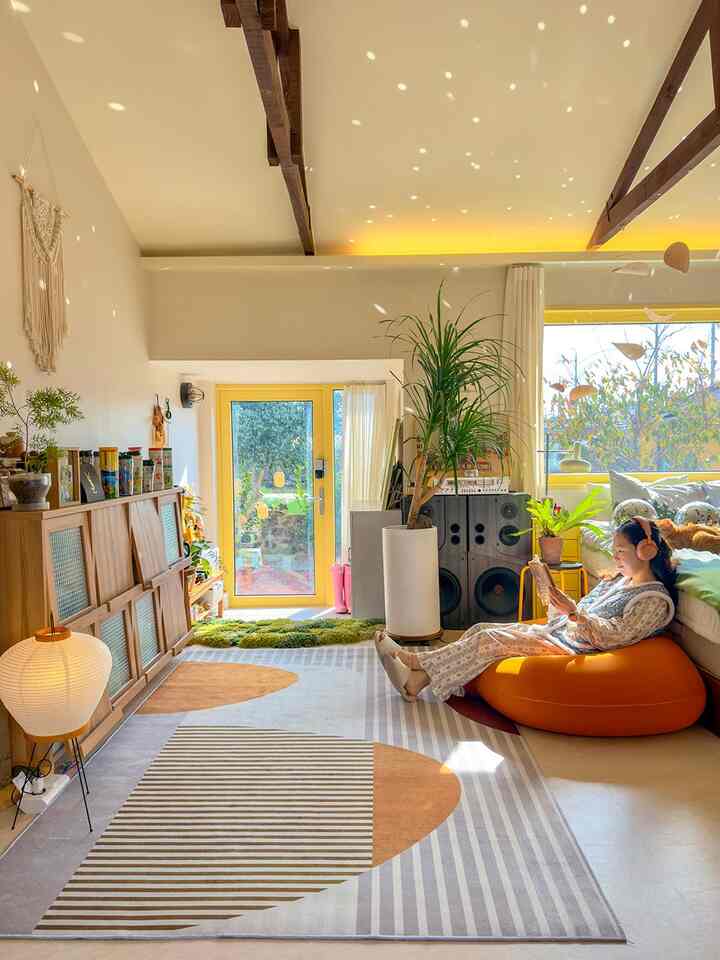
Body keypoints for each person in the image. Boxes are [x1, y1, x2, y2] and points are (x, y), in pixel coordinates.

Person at [376, 516, 677, 702]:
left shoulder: (652, 600)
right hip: (560, 633)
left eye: (621, 551)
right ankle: (416, 682)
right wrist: (558, 604)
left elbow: (615, 637)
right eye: (614, 550)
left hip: (572, 650)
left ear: (646, 551)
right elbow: (583, 614)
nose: (615, 557)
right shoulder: (619, 581)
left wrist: (574, 613)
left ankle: (414, 661)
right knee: (481, 628)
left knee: (488, 640)